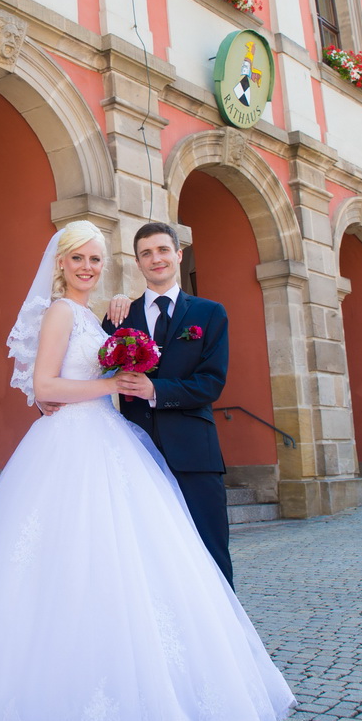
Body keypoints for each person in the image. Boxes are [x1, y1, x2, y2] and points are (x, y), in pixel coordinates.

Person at [0, 222, 294, 721]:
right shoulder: (64, 314)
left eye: (97, 259)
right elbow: (46, 386)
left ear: (172, 256)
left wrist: (120, 375)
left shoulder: (108, 315)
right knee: (64, 570)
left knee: (162, 568)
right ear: (61, 262)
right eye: (79, 258)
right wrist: (111, 385)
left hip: (126, 445)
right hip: (74, 448)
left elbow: (196, 377)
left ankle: (187, 690)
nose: (88, 267)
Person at [103, 221, 233, 586]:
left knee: (210, 551)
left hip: (195, 453)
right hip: (136, 453)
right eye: (146, 253)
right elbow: (94, 372)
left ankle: (224, 639)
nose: (155, 259)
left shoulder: (209, 313)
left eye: (162, 250)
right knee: (147, 555)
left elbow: (211, 383)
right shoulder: (119, 316)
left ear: (178, 255)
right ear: (137, 262)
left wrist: (155, 390)